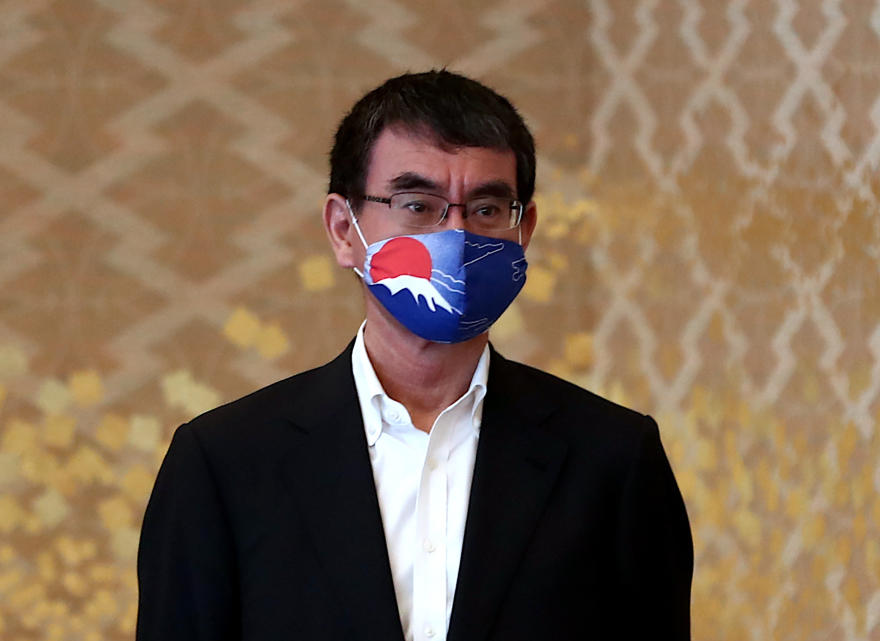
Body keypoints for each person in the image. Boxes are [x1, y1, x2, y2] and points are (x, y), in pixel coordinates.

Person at [136, 70, 693, 641]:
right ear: (343, 229)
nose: (454, 236)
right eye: (417, 205)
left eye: (485, 209)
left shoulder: (614, 460)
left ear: (523, 230)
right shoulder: (223, 463)